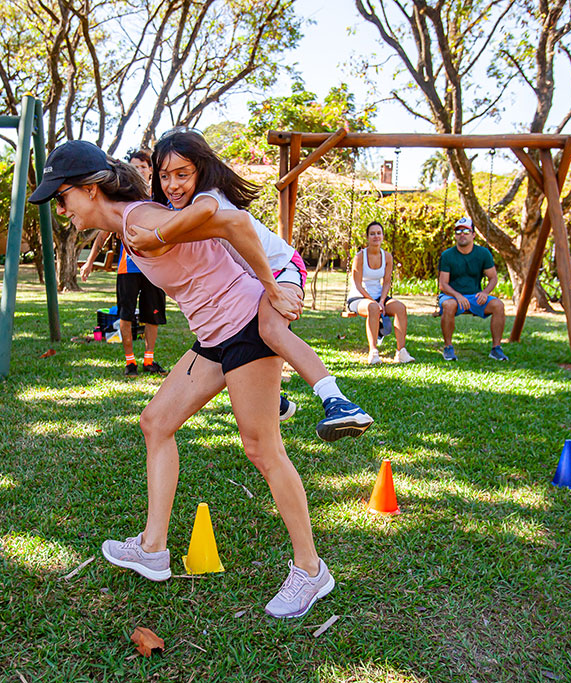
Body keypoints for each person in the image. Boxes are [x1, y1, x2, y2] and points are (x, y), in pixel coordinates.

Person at [28, 140, 335, 618]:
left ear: (89, 191)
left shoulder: (142, 221)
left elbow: (234, 223)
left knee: (263, 449)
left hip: (245, 328)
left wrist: (273, 286)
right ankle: (152, 549)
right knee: (156, 422)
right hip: (214, 335)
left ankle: (311, 570)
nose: (61, 209)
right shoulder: (131, 221)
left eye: (62, 198)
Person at [124, 128, 373, 441]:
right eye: (164, 176)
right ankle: (274, 400)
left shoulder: (206, 196)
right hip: (257, 277)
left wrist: (155, 236)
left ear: (200, 169)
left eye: (182, 174)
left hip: (282, 268)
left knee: (270, 329)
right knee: (234, 335)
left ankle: (339, 402)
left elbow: (204, 212)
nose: (172, 185)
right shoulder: (183, 208)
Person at [81, 148, 167, 377]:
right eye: (134, 167)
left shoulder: (160, 196)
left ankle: (149, 360)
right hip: (127, 267)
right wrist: (90, 261)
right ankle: (130, 362)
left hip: (155, 267)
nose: (138, 170)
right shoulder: (123, 198)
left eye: (142, 166)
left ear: (150, 170)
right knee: (125, 315)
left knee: (153, 315)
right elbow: (103, 232)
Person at [437, 217, 509, 361]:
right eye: (458, 232)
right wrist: (458, 296)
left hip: (474, 296)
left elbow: (493, 278)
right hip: (452, 296)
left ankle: (496, 349)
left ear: (473, 234)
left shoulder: (483, 253)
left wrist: (484, 292)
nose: (462, 234)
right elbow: (443, 284)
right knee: (448, 305)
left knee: (498, 305)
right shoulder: (447, 255)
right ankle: (448, 347)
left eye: (466, 231)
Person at [346, 221, 414, 364]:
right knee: (373, 308)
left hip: (379, 297)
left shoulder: (387, 257)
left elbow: (387, 282)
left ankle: (401, 351)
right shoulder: (360, 257)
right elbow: (357, 283)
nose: (376, 236)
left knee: (400, 307)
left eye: (378, 233)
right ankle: (373, 352)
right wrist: (374, 301)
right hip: (359, 297)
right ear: (368, 237)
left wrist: (382, 301)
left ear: (382, 236)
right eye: (372, 234)